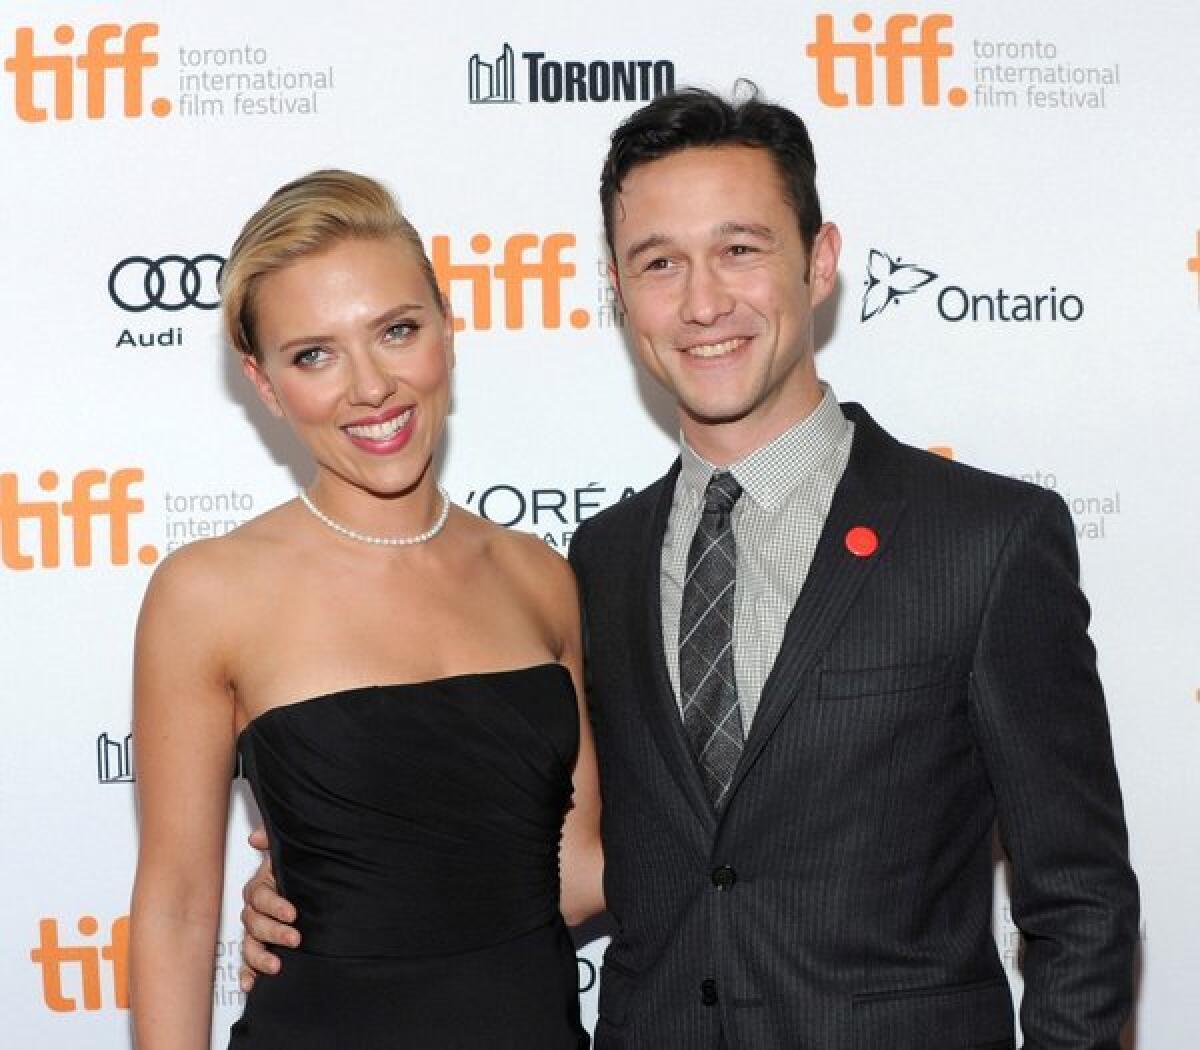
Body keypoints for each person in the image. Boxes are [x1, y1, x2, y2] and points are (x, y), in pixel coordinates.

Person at [240, 89, 1139, 1049]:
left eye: (740, 249)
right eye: (660, 263)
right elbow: (565, 845)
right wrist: (341, 880)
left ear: (820, 260)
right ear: (620, 292)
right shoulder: (597, 562)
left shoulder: (986, 541)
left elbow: (1079, 901)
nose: (704, 301)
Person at [129, 170, 601, 1050]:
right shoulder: (208, 593)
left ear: (446, 335)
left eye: (396, 331)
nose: (372, 386)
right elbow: (178, 908)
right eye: (314, 354)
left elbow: (574, 873)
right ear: (265, 386)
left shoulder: (541, 576)